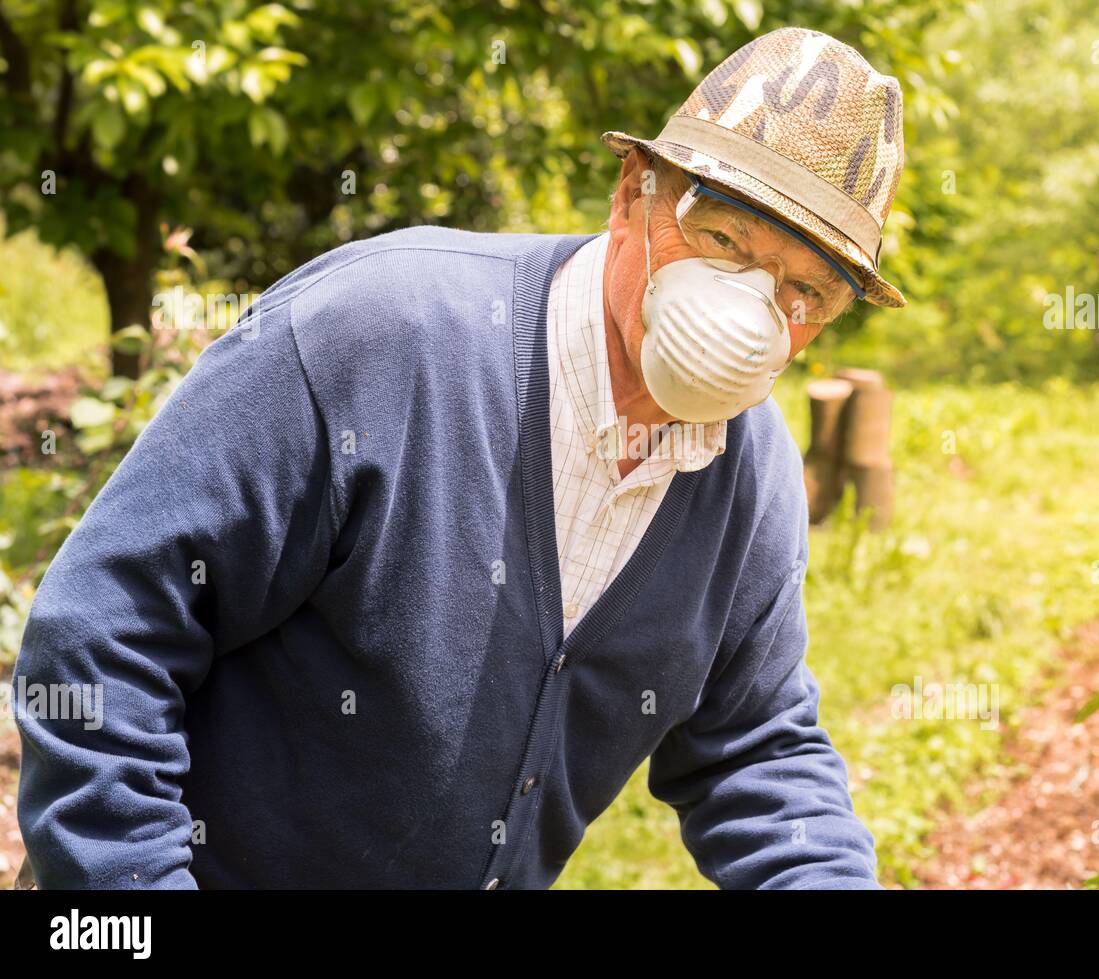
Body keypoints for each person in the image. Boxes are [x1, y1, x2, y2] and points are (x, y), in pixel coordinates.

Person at [13, 25, 906, 890]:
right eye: (722, 242)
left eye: (806, 292)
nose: (752, 313)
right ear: (633, 189)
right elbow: (102, 632)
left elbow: (753, 744)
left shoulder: (752, 478)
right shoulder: (377, 337)